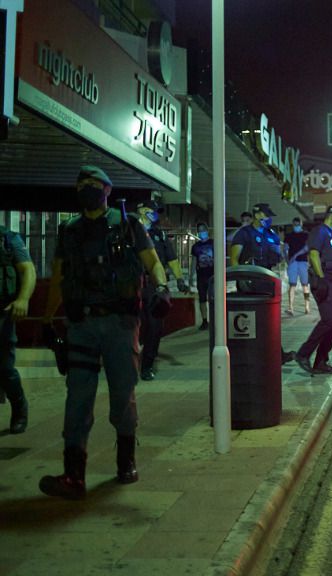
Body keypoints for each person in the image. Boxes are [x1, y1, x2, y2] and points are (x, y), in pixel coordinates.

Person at [39, 166, 170, 500]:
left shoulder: (127, 224)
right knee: (77, 398)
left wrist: (163, 287)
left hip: (119, 324)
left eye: (93, 184)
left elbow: (152, 261)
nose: (86, 187)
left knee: (122, 395)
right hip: (80, 325)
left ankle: (126, 463)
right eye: (80, 183)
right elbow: (59, 277)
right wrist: (47, 318)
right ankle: (73, 476)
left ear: (107, 189)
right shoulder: (69, 230)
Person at [230, 203, 293, 364]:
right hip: (249, 280)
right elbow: (234, 258)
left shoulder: (270, 234)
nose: (269, 219)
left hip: (267, 278)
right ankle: (252, 356)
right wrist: (240, 278)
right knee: (251, 322)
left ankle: (276, 354)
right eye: (266, 215)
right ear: (257, 215)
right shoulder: (244, 233)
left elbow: (278, 254)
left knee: (270, 319)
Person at [292, 206, 332, 375]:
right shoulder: (320, 231)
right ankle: (303, 354)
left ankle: (321, 361)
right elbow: (314, 255)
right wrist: (321, 279)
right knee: (329, 320)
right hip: (323, 283)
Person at [137, 200, 189, 381]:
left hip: (154, 286)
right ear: (142, 210)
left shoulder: (159, 235)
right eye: (153, 211)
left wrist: (180, 279)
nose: (156, 215)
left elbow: (172, 259)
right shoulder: (130, 231)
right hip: (132, 284)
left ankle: (147, 366)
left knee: (155, 326)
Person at [0, 225, 36, 434]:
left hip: (3, 312)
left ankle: (19, 405)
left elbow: (27, 269)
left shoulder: (8, 239)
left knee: (4, 367)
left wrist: (22, 299)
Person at [190, 222, 214, 330]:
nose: (201, 232)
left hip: (213, 274)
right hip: (201, 275)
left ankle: (215, 319)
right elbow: (194, 261)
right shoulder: (195, 246)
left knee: (214, 298)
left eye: (203, 230)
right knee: (202, 299)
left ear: (207, 230)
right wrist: (191, 275)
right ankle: (205, 320)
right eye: (199, 230)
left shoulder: (214, 243)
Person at [283, 217, 310, 315]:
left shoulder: (306, 235)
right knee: (292, 285)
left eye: (298, 224)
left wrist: (295, 255)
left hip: (303, 261)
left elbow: (307, 248)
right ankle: (290, 307)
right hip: (292, 263)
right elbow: (285, 248)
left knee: (305, 285)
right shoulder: (289, 236)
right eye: (294, 224)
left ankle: (307, 306)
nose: (296, 226)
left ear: (301, 224)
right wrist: (287, 260)